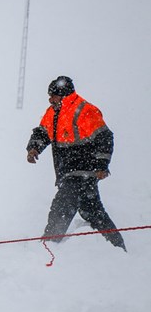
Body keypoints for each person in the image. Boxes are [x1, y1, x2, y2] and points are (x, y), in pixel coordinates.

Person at [26, 76, 125, 251]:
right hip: (67, 172)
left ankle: (48, 247)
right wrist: (33, 148)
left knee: (63, 206)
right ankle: (117, 246)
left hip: (83, 171)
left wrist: (102, 165)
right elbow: (42, 133)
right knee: (92, 211)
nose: (50, 99)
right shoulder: (53, 112)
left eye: (53, 96)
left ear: (63, 95)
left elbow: (104, 137)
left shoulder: (84, 110)